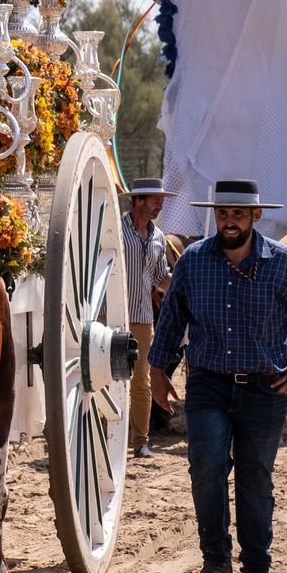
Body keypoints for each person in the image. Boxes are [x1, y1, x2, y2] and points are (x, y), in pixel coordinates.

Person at [149, 179, 287, 573]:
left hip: (265, 386)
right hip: (207, 385)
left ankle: (256, 566)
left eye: (237, 213)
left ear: (256, 216)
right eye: (222, 213)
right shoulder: (194, 262)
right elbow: (172, 318)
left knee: (255, 477)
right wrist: (158, 371)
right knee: (207, 469)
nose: (229, 221)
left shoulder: (283, 263)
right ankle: (215, 563)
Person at [121, 177, 174, 459]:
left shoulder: (158, 237)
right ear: (138, 200)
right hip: (112, 315)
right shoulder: (114, 230)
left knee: (141, 380)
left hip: (142, 317)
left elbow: (159, 278)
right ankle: (111, 436)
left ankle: (141, 440)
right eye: (155, 200)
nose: (160, 205)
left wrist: (181, 285)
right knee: (111, 379)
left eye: (161, 200)